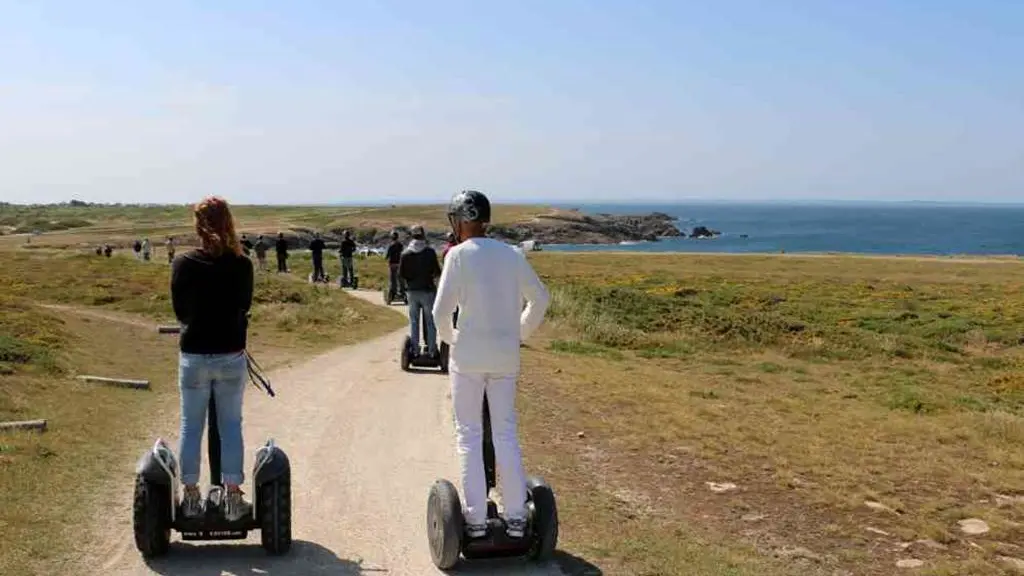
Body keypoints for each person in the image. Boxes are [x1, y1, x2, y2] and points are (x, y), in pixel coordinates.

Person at [432, 190, 550, 540]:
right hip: (505, 357)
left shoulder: (458, 257)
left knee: (469, 436)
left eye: (455, 218)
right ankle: (516, 519)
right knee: (505, 433)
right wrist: (518, 332)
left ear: (464, 218)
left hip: (468, 358)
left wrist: (453, 340)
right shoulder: (512, 255)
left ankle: (475, 521)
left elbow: (440, 312)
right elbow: (540, 299)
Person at [170, 196, 254, 522]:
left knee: (192, 426)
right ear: (229, 222)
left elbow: (180, 312)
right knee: (230, 427)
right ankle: (233, 498)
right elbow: (244, 306)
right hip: (231, 355)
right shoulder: (242, 264)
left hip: (194, 355)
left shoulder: (183, 263)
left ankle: (191, 498)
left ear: (198, 225)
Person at [399, 225, 442, 358]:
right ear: (423, 235)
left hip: (412, 291)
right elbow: (437, 272)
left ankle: (415, 350)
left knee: (414, 322)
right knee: (430, 322)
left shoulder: (405, 254)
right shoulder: (429, 252)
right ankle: (432, 351)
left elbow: (401, 274)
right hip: (428, 291)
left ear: (412, 236)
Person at [385, 230, 404, 299]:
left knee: (393, 279)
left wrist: (386, 258)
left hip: (392, 264)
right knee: (400, 278)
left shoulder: (391, 245)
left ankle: (393, 292)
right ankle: (402, 291)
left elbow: (387, 255)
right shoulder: (400, 245)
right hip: (399, 263)